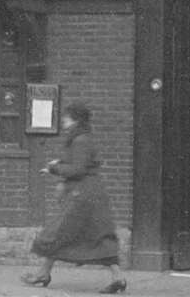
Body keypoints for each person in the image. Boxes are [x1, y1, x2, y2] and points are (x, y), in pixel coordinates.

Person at [21, 101, 126, 292]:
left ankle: (43, 274)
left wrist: (53, 168)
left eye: (67, 117)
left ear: (75, 119)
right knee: (94, 236)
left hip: (82, 195)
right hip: (87, 193)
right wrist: (60, 162)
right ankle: (118, 278)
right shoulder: (81, 138)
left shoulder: (80, 140)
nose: (63, 120)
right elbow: (79, 163)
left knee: (58, 232)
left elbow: (78, 169)